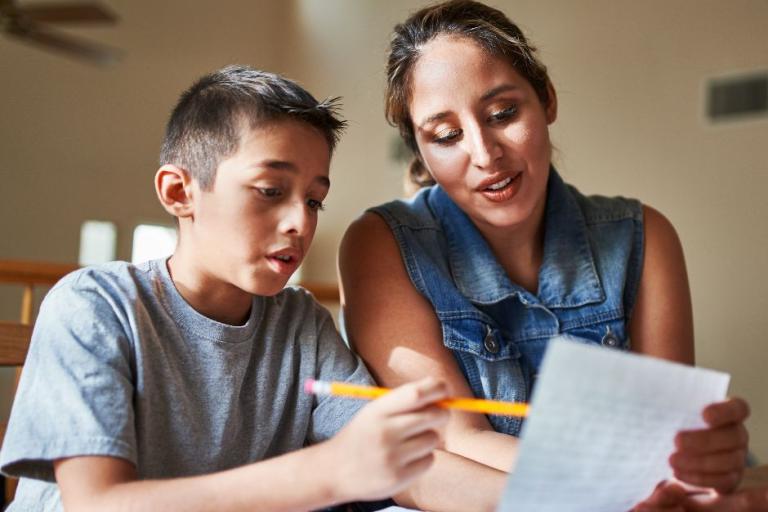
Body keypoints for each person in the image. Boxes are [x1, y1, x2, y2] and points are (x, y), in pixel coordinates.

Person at [338, 2, 757, 511]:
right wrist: (622, 484)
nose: (485, 154)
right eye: (446, 136)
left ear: (548, 100)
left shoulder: (645, 237)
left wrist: (701, 462)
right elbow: (452, 440)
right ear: (421, 151)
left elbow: (669, 450)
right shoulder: (380, 244)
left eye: (502, 114)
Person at [0, 65, 450, 511]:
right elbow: (97, 504)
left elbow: (411, 471)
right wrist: (327, 471)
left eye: (314, 200)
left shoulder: (301, 324)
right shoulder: (93, 306)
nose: (301, 222)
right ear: (179, 192)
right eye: (271, 190)